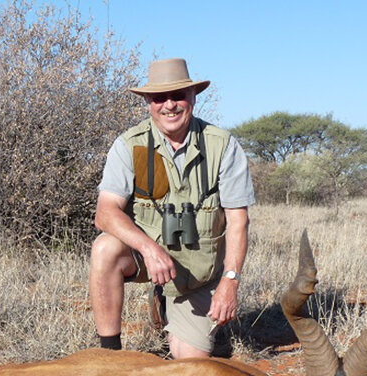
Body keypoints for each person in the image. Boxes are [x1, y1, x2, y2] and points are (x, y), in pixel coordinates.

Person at [89, 58, 255, 358]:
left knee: (190, 366)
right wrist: (149, 250)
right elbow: (105, 213)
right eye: (159, 98)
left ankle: (168, 309)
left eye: (178, 95)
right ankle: (110, 355)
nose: (169, 105)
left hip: (199, 276)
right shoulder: (131, 145)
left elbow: (238, 221)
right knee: (105, 249)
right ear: (148, 102)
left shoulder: (222, 145)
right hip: (150, 260)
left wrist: (230, 282)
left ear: (193, 97)